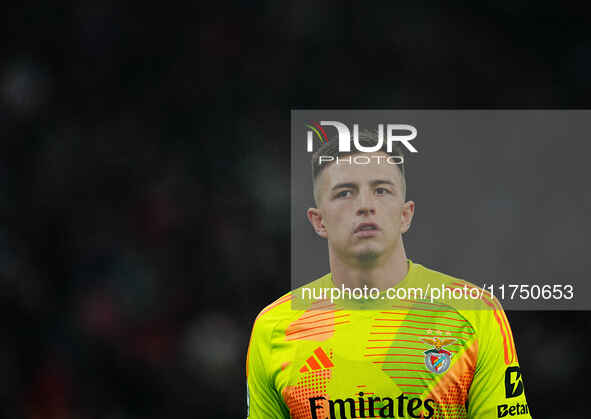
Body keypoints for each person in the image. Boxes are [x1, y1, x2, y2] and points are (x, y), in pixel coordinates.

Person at [246, 131, 531, 418]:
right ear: (319, 221)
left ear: (406, 214)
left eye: (381, 190)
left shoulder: (474, 311)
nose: (364, 205)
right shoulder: (274, 327)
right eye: (345, 193)